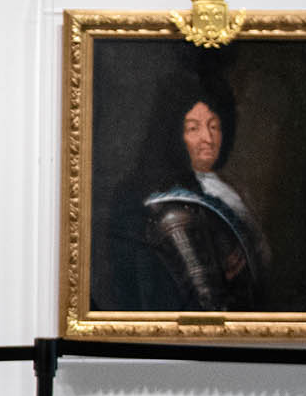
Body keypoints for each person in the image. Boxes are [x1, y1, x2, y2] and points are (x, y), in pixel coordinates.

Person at [101, 64, 273, 311]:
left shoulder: (221, 189)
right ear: (174, 134)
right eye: (193, 128)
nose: (208, 138)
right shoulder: (172, 207)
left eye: (214, 126)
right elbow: (206, 304)